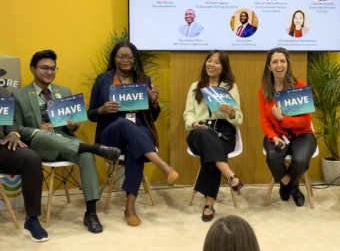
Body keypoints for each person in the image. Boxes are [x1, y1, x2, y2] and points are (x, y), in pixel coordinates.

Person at [12, 50, 121, 233]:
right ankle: (95, 148)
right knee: (43, 135)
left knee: (86, 156)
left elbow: (74, 124)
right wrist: (38, 130)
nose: (49, 72)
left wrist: (73, 126)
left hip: (66, 142)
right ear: (33, 69)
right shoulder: (19, 95)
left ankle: (91, 214)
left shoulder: (64, 91)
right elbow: (17, 129)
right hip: (40, 146)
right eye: (44, 68)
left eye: (53, 68)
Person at [88, 42, 179, 226]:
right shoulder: (102, 79)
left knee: (134, 147)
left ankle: (130, 208)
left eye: (129, 56)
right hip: (111, 132)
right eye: (120, 56)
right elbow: (91, 114)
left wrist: (154, 102)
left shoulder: (144, 79)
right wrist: (103, 110)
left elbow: (151, 118)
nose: (125, 60)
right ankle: (163, 166)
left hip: (139, 128)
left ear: (135, 59)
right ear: (114, 59)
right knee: (123, 123)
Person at [183, 50, 243, 222]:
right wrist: (194, 124)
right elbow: (188, 113)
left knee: (212, 149)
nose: (211, 64)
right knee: (204, 136)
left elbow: (239, 117)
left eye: (217, 62)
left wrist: (231, 112)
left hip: (224, 132)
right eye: (209, 61)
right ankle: (231, 176)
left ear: (223, 67)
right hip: (200, 130)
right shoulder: (196, 87)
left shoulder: (230, 87)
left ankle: (209, 204)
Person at [259, 48, 317, 207]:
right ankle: (292, 187)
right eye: (275, 62)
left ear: (288, 64)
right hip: (277, 135)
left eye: (282, 61)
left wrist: (282, 118)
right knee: (272, 157)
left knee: (301, 160)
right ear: (269, 66)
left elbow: (306, 121)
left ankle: (286, 186)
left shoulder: (300, 85)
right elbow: (265, 122)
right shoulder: (264, 90)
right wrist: (273, 136)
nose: (279, 65)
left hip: (302, 134)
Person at [0, 87, 48, 242]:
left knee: (31, 158)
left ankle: (31, 219)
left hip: (1, 145)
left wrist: (13, 133)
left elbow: (10, 120)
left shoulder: (2, 92)